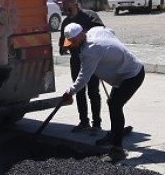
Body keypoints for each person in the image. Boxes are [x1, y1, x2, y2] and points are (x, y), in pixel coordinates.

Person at [61, 22, 145, 163]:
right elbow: (109, 31)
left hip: (133, 74)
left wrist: (69, 93)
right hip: (123, 73)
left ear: (82, 35)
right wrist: (108, 56)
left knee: (114, 104)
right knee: (113, 103)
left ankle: (117, 150)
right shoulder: (94, 31)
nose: (71, 45)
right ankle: (114, 134)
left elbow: (83, 78)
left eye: (73, 42)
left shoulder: (91, 50)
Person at [58, 0, 104, 134]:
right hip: (76, 61)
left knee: (93, 91)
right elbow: (62, 45)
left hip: (91, 60)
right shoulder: (66, 23)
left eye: (68, 7)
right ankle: (84, 121)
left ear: (76, 3)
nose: (66, 10)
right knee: (79, 91)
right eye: (64, 8)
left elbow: (102, 33)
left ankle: (97, 123)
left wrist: (83, 34)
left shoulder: (90, 16)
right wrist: (66, 46)